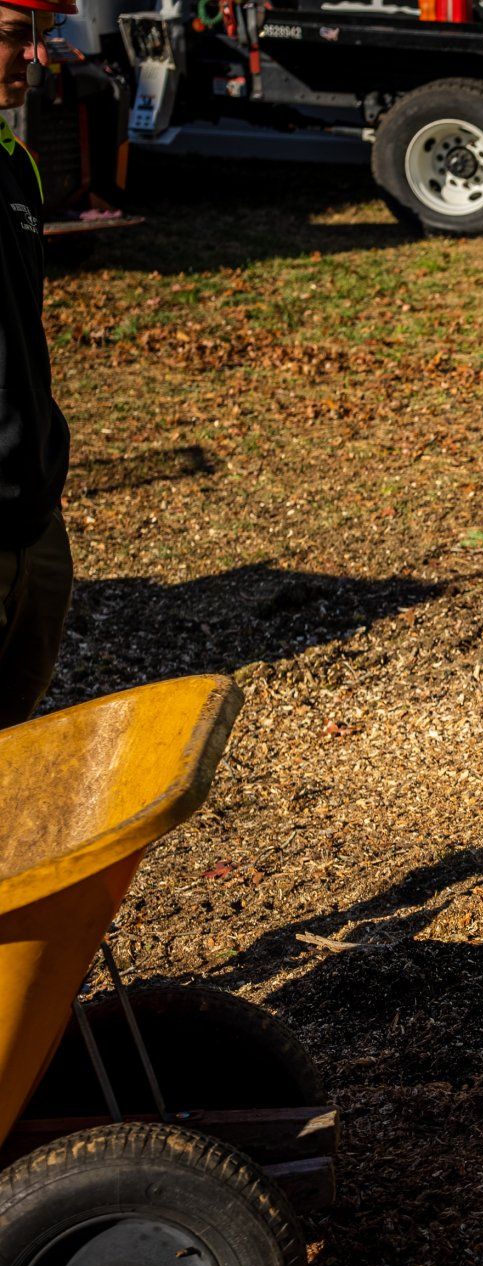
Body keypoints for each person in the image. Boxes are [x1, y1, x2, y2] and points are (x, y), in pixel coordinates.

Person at [0, 0, 76, 728]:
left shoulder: (17, 165)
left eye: (43, 36)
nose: (36, 57)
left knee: (15, 747)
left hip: (29, 510)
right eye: (15, 35)